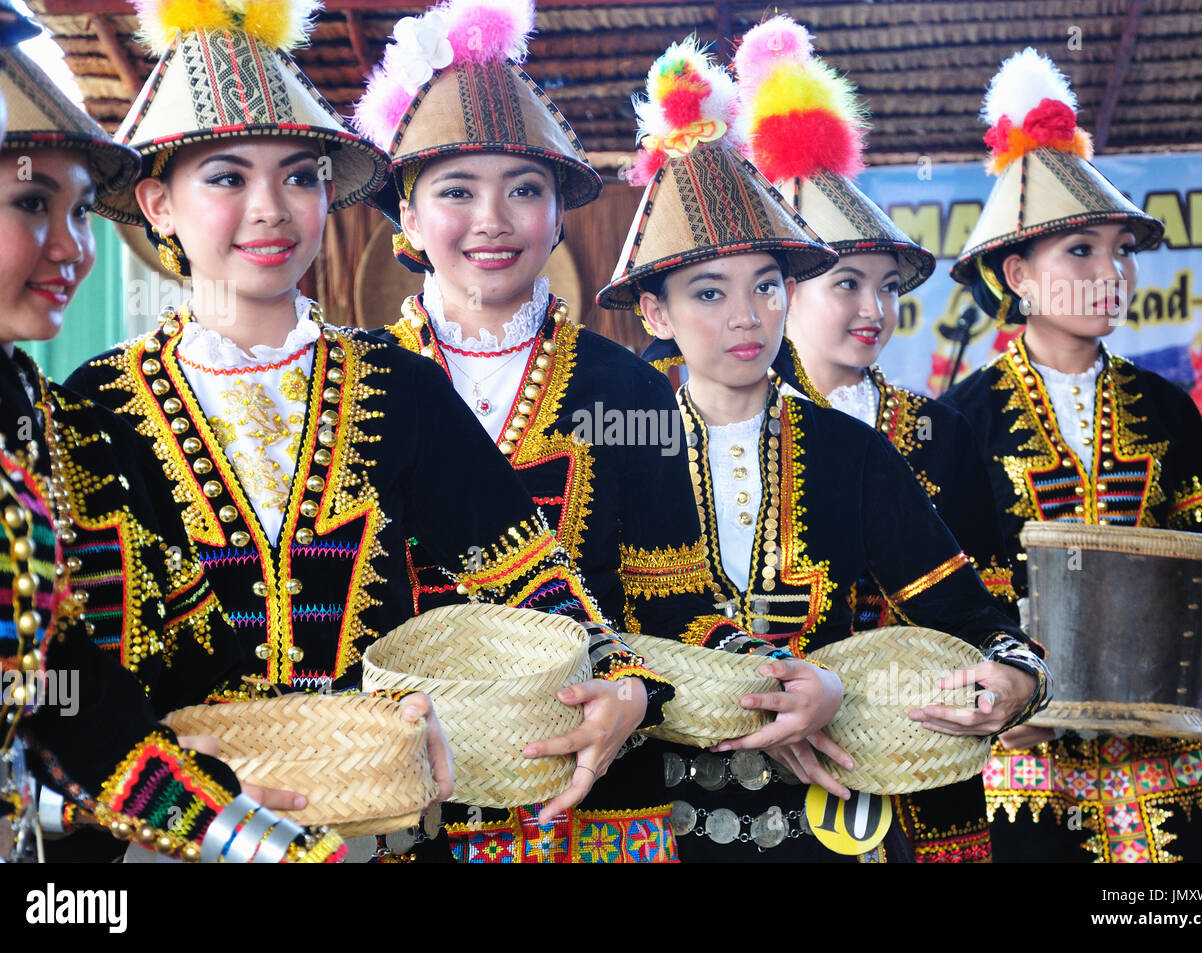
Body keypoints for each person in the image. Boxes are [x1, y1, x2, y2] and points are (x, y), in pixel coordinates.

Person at [65, 0, 670, 861]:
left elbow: (526, 572)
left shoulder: (397, 385)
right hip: (176, 835)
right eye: (228, 177)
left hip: (379, 830)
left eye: (301, 177)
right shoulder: (92, 403)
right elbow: (80, 646)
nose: (271, 208)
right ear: (159, 202)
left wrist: (623, 681)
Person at [353, 0, 846, 863]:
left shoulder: (627, 388)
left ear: (558, 214)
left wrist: (686, 690)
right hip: (401, 801)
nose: (494, 219)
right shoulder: (354, 384)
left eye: (526, 189)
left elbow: (679, 607)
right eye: (457, 190)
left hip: (596, 809)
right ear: (406, 215)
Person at [596, 37, 1051, 862]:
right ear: (653, 314)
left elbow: (971, 618)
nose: (746, 317)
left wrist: (1019, 674)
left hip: (822, 826)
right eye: (709, 291)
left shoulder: (849, 451)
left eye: (766, 285)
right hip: (645, 822)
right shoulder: (616, 447)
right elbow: (585, 623)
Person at [0, 7, 358, 864]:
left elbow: (77, 698)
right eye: (31, 201)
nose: (72, 248)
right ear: (161, 208)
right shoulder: (92, 397)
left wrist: (265, 838)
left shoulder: (48, 419)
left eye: (79, 213)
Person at [941, 48, 1202, 862]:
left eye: (1120, 250)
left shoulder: (1166, 407)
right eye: (1081, 251)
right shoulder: (965, 418)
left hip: (1166, 756)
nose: (1113, 273)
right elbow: (954, 587)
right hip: (1027, 758)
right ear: (1018, 273)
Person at [735, 14, 1020, 863]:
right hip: (762, 783)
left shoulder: (942, 432)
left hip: (926, 772)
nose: (874, 309)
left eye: (888, 286)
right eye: (846, 282)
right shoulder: (722, 429)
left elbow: (986, 605)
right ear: (780, 288)